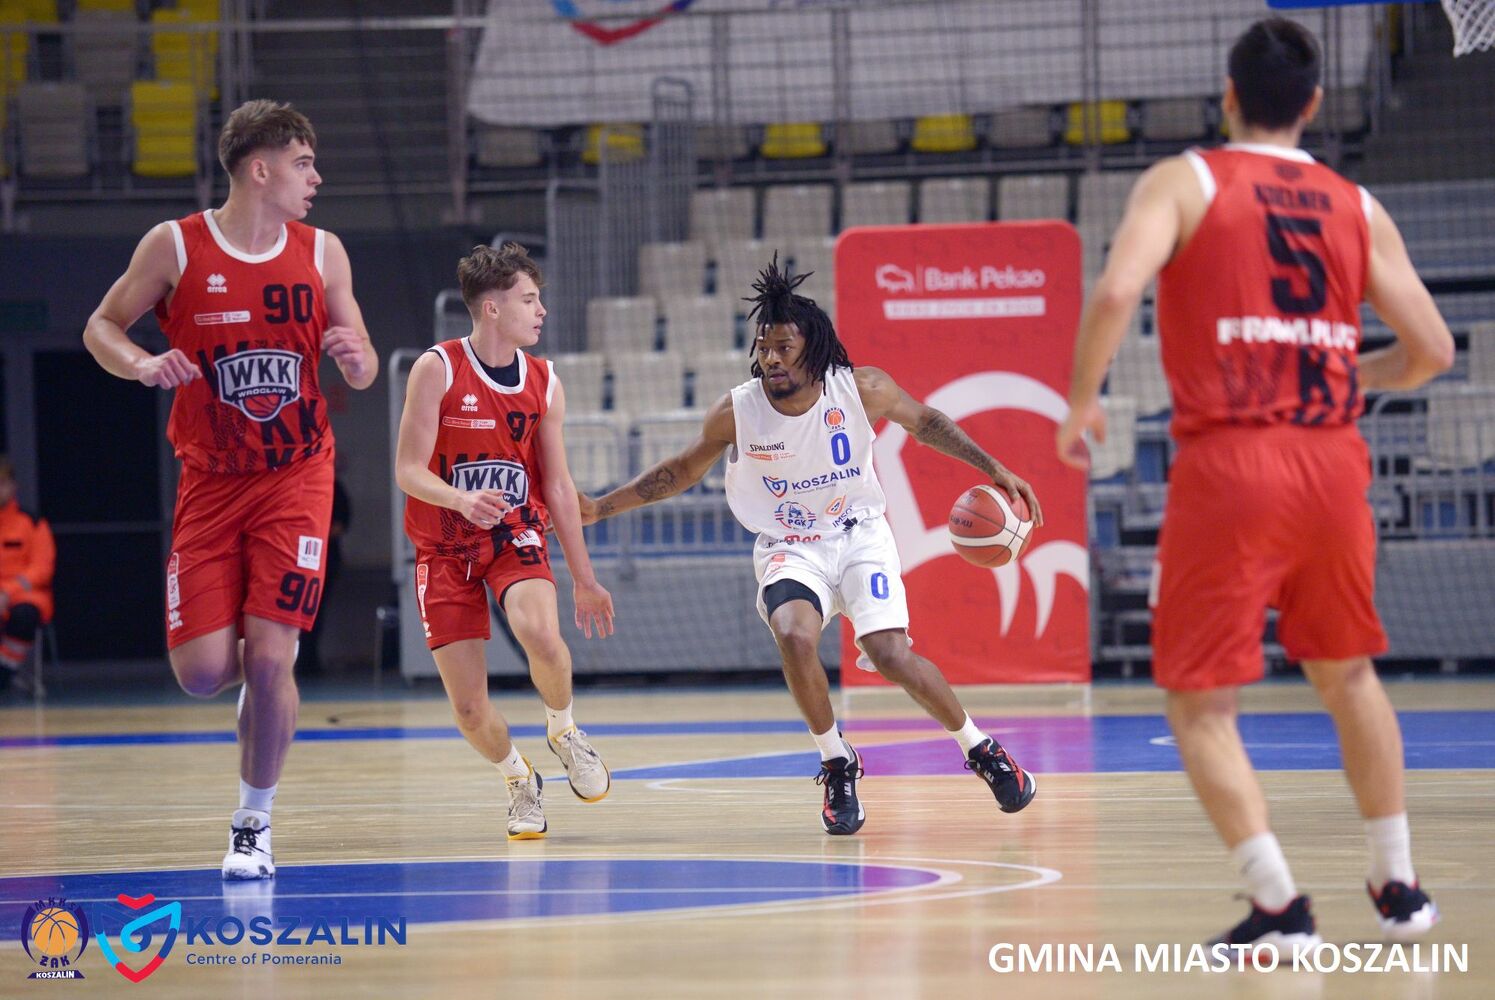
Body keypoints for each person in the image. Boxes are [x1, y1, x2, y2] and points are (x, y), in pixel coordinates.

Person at [1056, 18, 1453, 946]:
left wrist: (1080, 399)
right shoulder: (1355, 204)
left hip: (1232, 463)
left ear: (1227, 95)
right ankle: (1398, 885)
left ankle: (1278, 903)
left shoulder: (1185, 180)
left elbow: (1113, 291)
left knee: (1199, 702)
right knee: (1347, 674)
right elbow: (1432, 350)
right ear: (1311, 106)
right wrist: (1354, 372)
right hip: (1332, 461)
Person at [581, 258, 1042, 835]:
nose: (771, 358)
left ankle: (981, 749)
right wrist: (599, 507)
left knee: (890, 654)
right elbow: (679, 471)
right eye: (764, 347)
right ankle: (837, 762)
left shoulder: (862, 390)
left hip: (859, 533)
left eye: (784, 347)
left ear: (814, 350)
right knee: (795, 634)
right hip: (789, 544)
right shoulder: (737, 410)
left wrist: (993, 467)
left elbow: (926, 423)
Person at [82, 100, 378, 880]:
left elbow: (364, 360)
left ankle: (253, 824)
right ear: (260, 169)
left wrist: (357, 360)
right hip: (210, 483)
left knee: (272, 660)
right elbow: (100, 327)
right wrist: (142, 363)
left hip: (296, 476)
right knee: (204, 674)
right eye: (304, 163)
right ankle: (262, 689)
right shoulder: (175, 245)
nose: (316, 178)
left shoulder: (324, 253)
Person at [395, 242, 614, 841]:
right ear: (492, 308)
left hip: (513, 532)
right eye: (529, 299)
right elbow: (408, 469)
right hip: (443, 547)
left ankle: (564, 729)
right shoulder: (436, 369)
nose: (541, 310)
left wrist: (585, 578)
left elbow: (560, 487)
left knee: (540, 633)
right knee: (469, 710)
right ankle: (519, 778)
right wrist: (459, 499)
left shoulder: (544, 381)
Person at [0, 458, 55, 694]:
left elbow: (43, 568)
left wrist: (7, 592)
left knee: (24, 615)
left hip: (25, 595)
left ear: (13, 486)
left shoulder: (32, 522)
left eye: (2, 483)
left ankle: (4, 673)